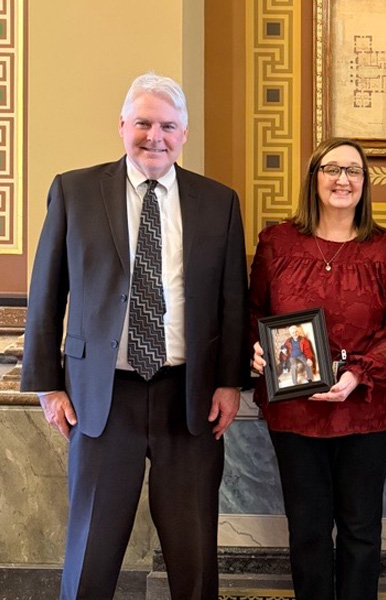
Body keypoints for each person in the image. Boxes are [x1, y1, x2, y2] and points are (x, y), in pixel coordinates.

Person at [20, 73, 249, 600]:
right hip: (103, 398)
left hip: (188, 399)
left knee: (194, 560)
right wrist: (48, 386)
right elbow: (46, 293)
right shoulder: (75, 190)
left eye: (168, 125)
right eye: (143, 123)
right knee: (91, 556)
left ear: (184, 133)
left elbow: (231, 300)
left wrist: (230, 383)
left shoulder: (219, 202)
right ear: (122, 126)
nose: (155, 136)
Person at [249, 137, 386, 600]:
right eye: (331, 169)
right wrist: (255, 348)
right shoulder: (277, 243)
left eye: (354, 171)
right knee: (307, 529)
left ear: (365, 184)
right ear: (314, 178)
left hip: (366, 407)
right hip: (294, 409)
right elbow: (253, 311)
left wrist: (357, 375)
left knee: (362, 528)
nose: (343, 179)